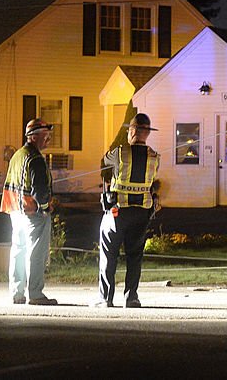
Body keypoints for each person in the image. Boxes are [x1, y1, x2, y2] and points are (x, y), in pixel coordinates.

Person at [94, 113, 161, 308]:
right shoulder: (155, 157)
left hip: (118, 212)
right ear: (147, 133)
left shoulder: (120, 152)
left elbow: (104, 163)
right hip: (141, 213)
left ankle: (106, 298)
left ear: (132, 131)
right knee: (135, 256)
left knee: (108, 253)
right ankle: (131, 297)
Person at [0, 118, 58, 305]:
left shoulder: (18, 155)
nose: (48, 140)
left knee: (18, 250)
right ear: (33, 137)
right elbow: (40, 190)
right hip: (33, 214)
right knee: (36, 253)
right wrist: (45, 207)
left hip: (15, 211)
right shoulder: (35, 159)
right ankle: (35, 293)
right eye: (45, 136)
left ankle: (17, 293)